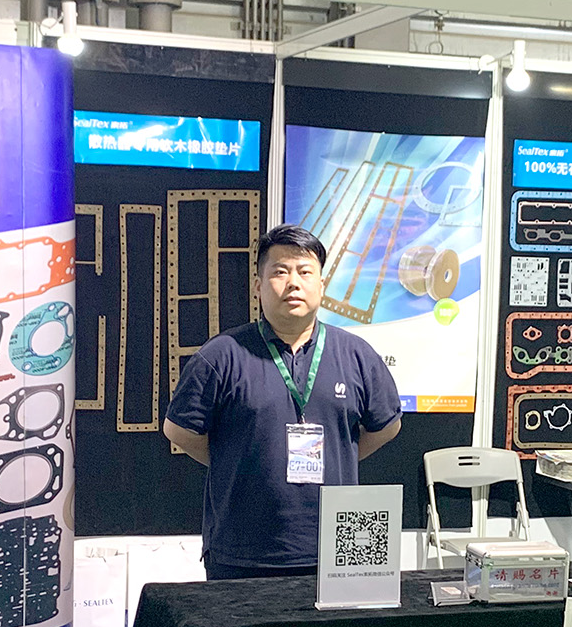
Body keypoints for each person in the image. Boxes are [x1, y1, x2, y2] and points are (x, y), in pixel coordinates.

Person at [163, 224, 403, 580]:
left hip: (338, 548)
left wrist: (339, 455)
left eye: (305, 272)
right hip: (241, 551)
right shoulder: (222, 355)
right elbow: (179, 430)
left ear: (322, 285)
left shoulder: (357, 355)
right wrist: (238, 460)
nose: (293, 283)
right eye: (280, 272)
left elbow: (387, 426)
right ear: (258, 285)